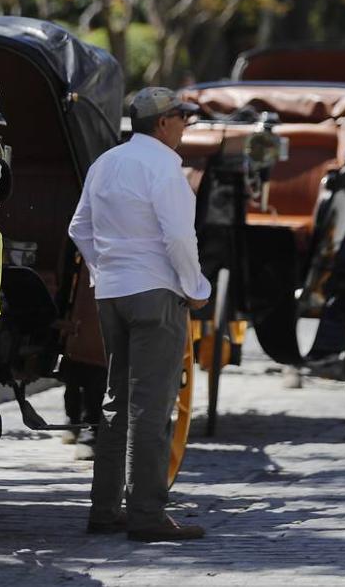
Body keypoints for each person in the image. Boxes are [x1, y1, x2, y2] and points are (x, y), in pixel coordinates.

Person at [68, 86, 212, 542]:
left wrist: (102, 271)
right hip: (155, 293)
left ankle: (105, 508)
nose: (185, 125)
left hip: (112, 295)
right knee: (151, 407)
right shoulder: (166, 168)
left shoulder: (106, 163)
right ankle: (147, 515)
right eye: (181, 117)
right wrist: (196, 288)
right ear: (163, 123)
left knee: (116, 402)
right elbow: (177, 239)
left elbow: (79, 228)